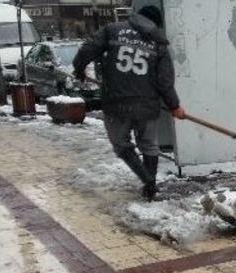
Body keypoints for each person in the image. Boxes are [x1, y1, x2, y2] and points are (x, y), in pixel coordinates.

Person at [72, 6, 186, 201]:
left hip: (116, 103)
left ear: (137, 16)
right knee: (149, 145)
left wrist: (79, 69)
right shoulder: (159, 43)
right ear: (155, 23)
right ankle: (150, 187)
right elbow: (164, 82)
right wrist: (174, 106)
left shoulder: (111, 30)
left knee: (121, 144)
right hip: (147, 105)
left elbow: (87, 50)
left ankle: (148, 180)